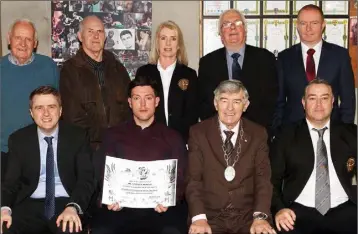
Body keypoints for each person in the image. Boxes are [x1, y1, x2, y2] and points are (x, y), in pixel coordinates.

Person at [91, 76, 188, 234]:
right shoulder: (112, 135)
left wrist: (170, 199)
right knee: (101, 229)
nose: (143, 104)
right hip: (121, 207)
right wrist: (110, 197)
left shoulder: (173, 137)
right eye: (137, 98)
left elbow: (182, 176)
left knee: (173, 230)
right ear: (130, 102)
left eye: (148, 98)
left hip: (160, 208)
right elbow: (102, 171)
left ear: (156, 101)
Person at [0, 86, 95, 234]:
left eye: (51, 107)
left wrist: (73, 206)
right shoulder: (19, 139)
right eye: (39, 108)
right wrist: (4, 209)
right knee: (5, 227)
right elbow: (10, 182)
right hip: (29, 203)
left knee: (70, 228)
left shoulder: (78, 137)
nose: (46, 113)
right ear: (31, 112)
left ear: (61, 110)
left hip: (66, 202)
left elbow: (86, 179)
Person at [186, 80, 276, 234]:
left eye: (236, 101)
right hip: (209, 217)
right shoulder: (198, 133)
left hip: (248, 217)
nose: (229, 108)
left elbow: (263, 179)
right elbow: (193, 180)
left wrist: (260, 217)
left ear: (245, 105)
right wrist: (199, 218)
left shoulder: (258, 133)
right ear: (215, 104)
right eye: (224, 100)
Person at [270, 79, 357, 234]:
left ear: (333, 102)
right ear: (303, 103)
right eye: (312, 98)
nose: (319, 105)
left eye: (324, 98)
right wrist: (279, 209)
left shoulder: (351, 134)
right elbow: (271, 181)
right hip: (298, 212)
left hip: (345, 210)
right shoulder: (286, 135)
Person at [272, 4, 356, 135]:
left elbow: (348, 101)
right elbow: (279, 101)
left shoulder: (340, 56)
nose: (308, 28)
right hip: (293, 133)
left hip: (332, 131)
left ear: (323, 25)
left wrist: (345, 133)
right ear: (297, 26)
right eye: (303, 23)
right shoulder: (284, 58)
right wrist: (277, 133)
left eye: (314, 23)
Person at [198, 9, 278, 135]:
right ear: (220, 33)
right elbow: (205, 103)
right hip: (219, 135)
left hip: (257, 134)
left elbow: (272, 100)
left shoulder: (265, 59)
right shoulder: (207, 63)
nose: (233, 27)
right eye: (226, 24)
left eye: (238, 23)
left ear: (245, 30)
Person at [60, 15, 131, 151]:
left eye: (100, 32)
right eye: (90, 31)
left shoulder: (118, 68)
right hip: (86, 149)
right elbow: (72, 116)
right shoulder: (69, 71)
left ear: (105, 37)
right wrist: (104, 136)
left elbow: (129, 107)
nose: (96, 36)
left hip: (119, 146)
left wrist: (121, 135)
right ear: (80, 36)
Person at [0, 19, 59, 179]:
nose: (23, 43)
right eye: (18, 38)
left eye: (28, 39)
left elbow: (58, 107)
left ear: (35, 43)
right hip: (4, 152)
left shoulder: (49, 67)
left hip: (40, 150)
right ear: (8, 39)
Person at [136, 21, 198, 143]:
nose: (168, 43)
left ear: (179, 45)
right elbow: (138, 107)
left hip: (180, 141)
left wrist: (179, 140)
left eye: (173, 39)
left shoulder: (189, 74)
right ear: (157, 43)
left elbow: (193, 113)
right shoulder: (144, 72)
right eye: (163, 38)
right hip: (149, 140)